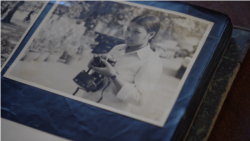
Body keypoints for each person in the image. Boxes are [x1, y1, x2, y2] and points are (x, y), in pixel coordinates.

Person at [82, 15, 163, 112]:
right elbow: (102, 75)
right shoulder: (118, 48)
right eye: (128, 29)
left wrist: (113, 76)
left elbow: (140, 100)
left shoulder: (152, 62)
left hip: (109, 110)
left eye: (136, 32)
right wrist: (95, 66)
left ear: (150, 35)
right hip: (87, 99)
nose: (128, 35)